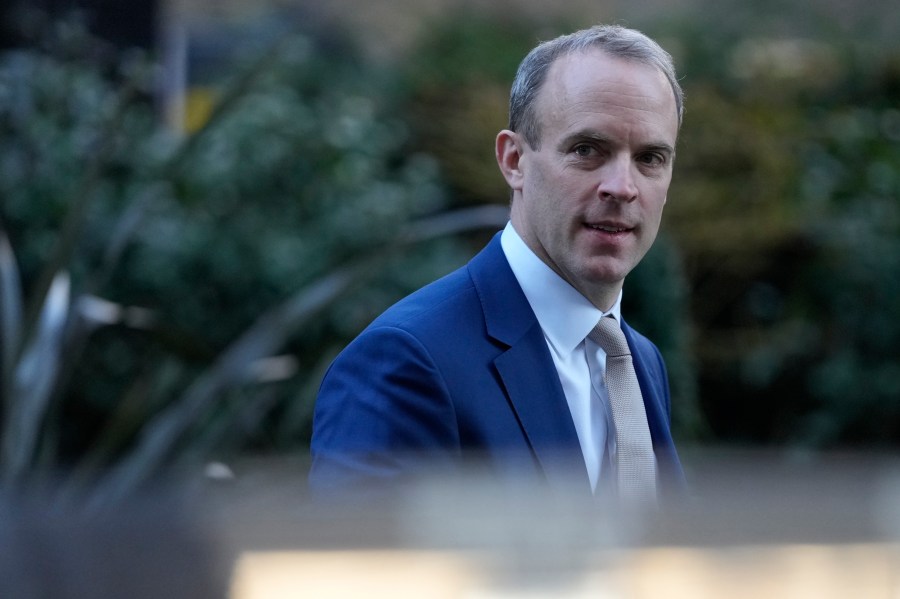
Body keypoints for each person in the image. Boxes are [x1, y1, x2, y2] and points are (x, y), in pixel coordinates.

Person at [309, 24, 686, 503]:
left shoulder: (640, 361)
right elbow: (360, 575)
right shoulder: (404, 363)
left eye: (650, 157)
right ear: (514, 160)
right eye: (587, 150)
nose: (622, 186)